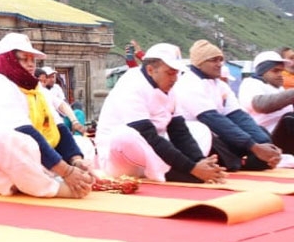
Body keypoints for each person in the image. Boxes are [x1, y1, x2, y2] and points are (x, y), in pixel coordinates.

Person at [0, 33, 94, 199]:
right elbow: (25, 132)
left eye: (33, 60)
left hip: (32, 160)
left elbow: (57, 125)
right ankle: (54, 188)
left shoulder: (34, 86)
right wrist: (67, 171)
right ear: (8, 60)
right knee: (5, 138)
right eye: (24, 59)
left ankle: (53, 179)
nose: (31, 65)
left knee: (83, 144)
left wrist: (75, 161)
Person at [96, 43, 226, 184]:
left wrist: (200, 161)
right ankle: (174, 173)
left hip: (155, 156)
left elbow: (179, 132)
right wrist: (192, 168)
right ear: (151, 70)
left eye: (176, 73)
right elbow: (149, 137)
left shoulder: (170, 89)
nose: (174, 78)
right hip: (122, 161)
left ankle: (192, 169)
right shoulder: (131, 85)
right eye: (170, 73)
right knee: (124, 135)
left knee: (200, 129)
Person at [171, 39, 281, 172]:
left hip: (219, 131)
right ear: (199, 64)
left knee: (261, 134)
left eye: (220, 60)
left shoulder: (220, 85)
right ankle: (239, 162)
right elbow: (213, 120)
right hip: (198, 136)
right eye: (213, 60)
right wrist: (254, 147)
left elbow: (237, 115)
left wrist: (263, 143)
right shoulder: (189, 83)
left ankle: (252, 159)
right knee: (212, 137)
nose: (219, 64)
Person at [237, 50, 294, 154]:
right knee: (289, 118)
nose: (280, 75)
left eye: (281, 71)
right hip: (263, 139)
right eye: (275, 71)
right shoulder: (250, 83)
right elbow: (261, 105)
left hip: (283, 137)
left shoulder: (278, 88)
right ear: (262, 71)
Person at [36, 66, 86, 135]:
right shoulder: (38, 90)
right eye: (49, 77)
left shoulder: (55, 88)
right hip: (48, 124)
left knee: (78, 111)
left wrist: (74, 121)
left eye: (53, 77)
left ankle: (77, 137)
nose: (52, 79)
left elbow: (62, 104)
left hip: (61, 117)